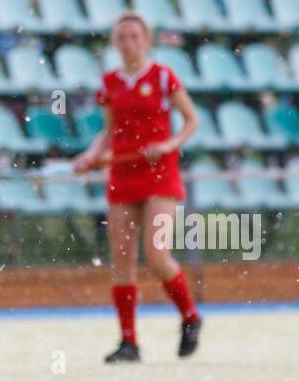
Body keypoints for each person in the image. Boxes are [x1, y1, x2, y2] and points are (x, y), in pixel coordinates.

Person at [73, 11, 203, 363]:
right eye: (122, 38)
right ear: (115, 44)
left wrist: (167, 144)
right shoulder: (110, 82)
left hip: (161, 175)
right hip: (123, 175)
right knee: (122, 259)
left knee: (157, 254)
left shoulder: (163, 77)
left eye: (134, 36)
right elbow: (109, 132)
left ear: (146, 39)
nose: (128, 43)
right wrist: (89, 156)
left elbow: (192, 120)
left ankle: (190, 317)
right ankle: (128, 342)